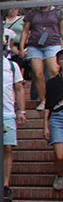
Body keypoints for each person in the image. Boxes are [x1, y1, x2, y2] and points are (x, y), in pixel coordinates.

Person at [20, 0, 63, 110]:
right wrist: (22, 47)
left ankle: (56, 96)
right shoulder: (32, 13)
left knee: (54, 71)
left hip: (52, 43)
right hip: (35, 45)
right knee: (38, 74)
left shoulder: (58, 11)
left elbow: (61, 30)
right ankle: (43, 100)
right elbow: (25, 31)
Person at [3, 49, 26, 202]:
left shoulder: (12, 66)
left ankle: (5, 183)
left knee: (8, 147)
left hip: (7, 112)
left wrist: (22, 110)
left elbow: (19, 88)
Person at [43, 55, 63, 191]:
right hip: (56, 116)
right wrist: (45, 125)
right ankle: (60, 175)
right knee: (59, 154)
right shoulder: (52, 83)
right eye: (61, 58)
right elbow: (48, 105)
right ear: (58, 61)